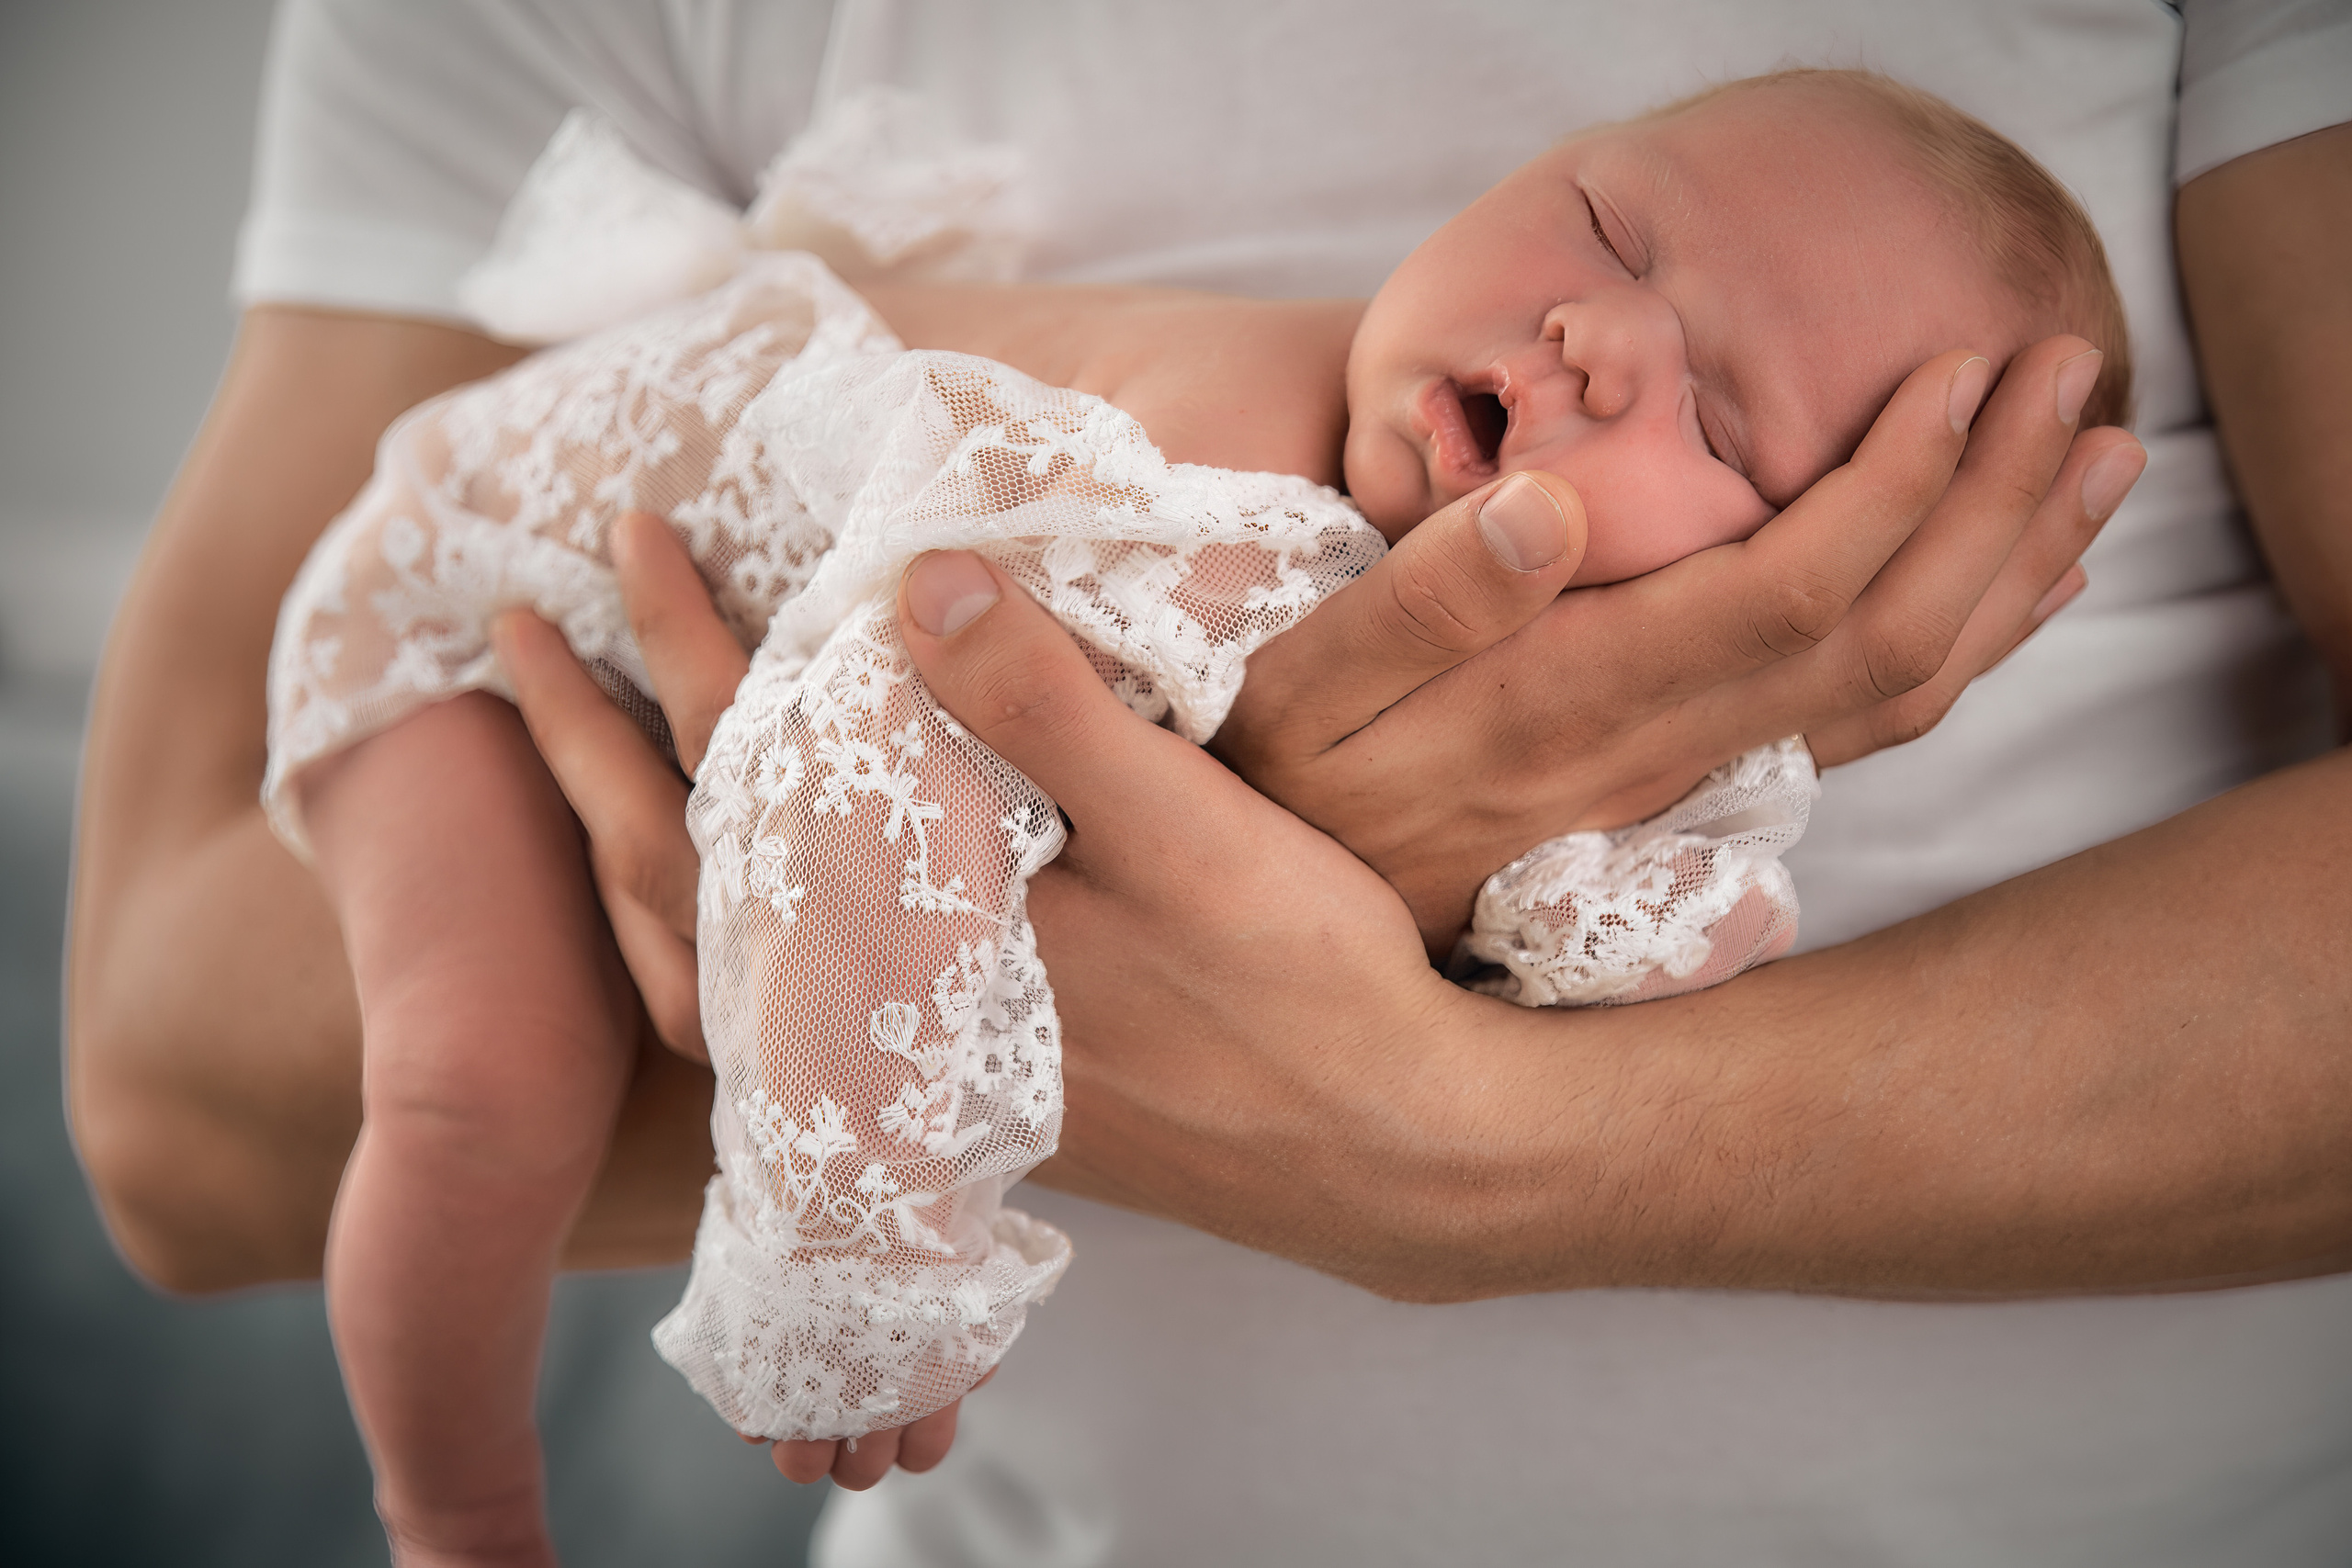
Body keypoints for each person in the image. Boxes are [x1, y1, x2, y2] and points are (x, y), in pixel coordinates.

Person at [64, 0, 2350, 1560]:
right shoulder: (1192, 479)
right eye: (1606, 225)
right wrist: (853, 1245)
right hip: (484, 590)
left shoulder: (1616, 649)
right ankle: (453, 1516)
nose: (1596, 335)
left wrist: (1535, 1000)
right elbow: (854, 753)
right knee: (473, 1064)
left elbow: (1582, 906)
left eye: (1725, 427)